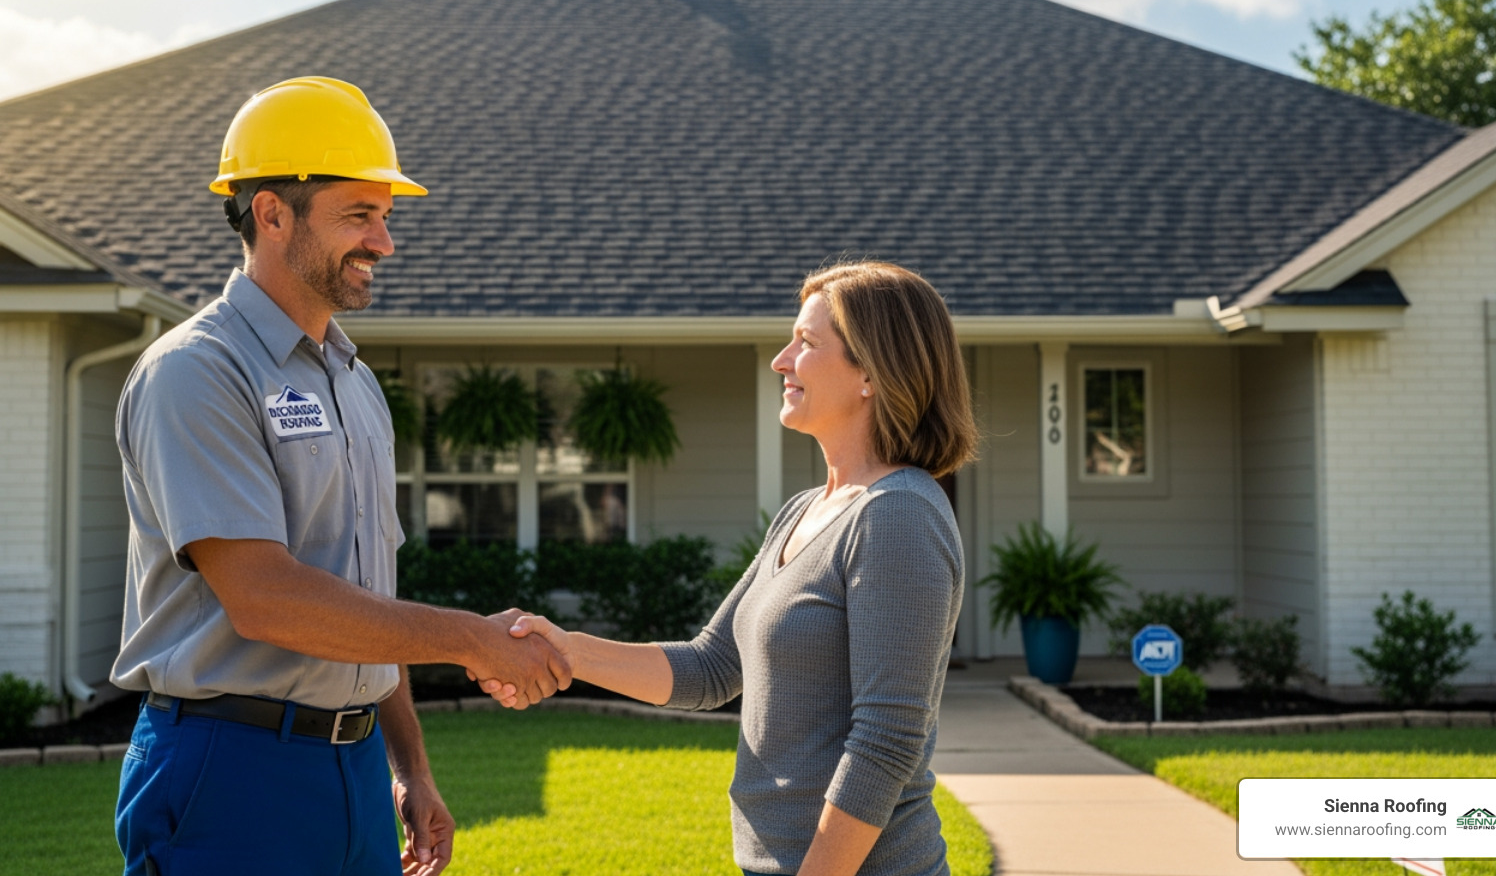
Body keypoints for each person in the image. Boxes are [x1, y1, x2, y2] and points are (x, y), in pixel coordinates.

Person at [111, 76, 570, 876]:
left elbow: (364, 598)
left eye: (385, 216)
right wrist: (471, 640)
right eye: (359, 214)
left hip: (354, 767)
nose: (384, 242)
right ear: (272, 212)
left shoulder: (353, 383)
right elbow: (266, 597)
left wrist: (408, 767)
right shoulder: (197, 372)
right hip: (230, 768)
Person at [480, 261, 978, 876]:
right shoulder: (805, 510)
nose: (781, 359)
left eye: (808, 342)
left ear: (872, 373)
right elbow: (711, 667)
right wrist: (567, 650)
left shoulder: (898, 516)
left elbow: (886, 741)